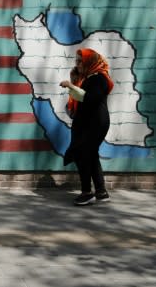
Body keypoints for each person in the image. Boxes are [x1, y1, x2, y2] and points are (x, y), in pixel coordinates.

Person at [60, 48, 114, 206]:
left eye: (80, 61)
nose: (77, 64)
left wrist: (71, 86)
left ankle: (86, 192)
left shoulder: (99, 78)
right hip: (87, 123)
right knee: (90, 154)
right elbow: (80, 99)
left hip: (95, 123)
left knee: (83, 154)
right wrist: (75, 81)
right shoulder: (87, 78)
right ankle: (101, 191)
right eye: (76, 61)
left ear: (90, 62)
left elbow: (90, 98)